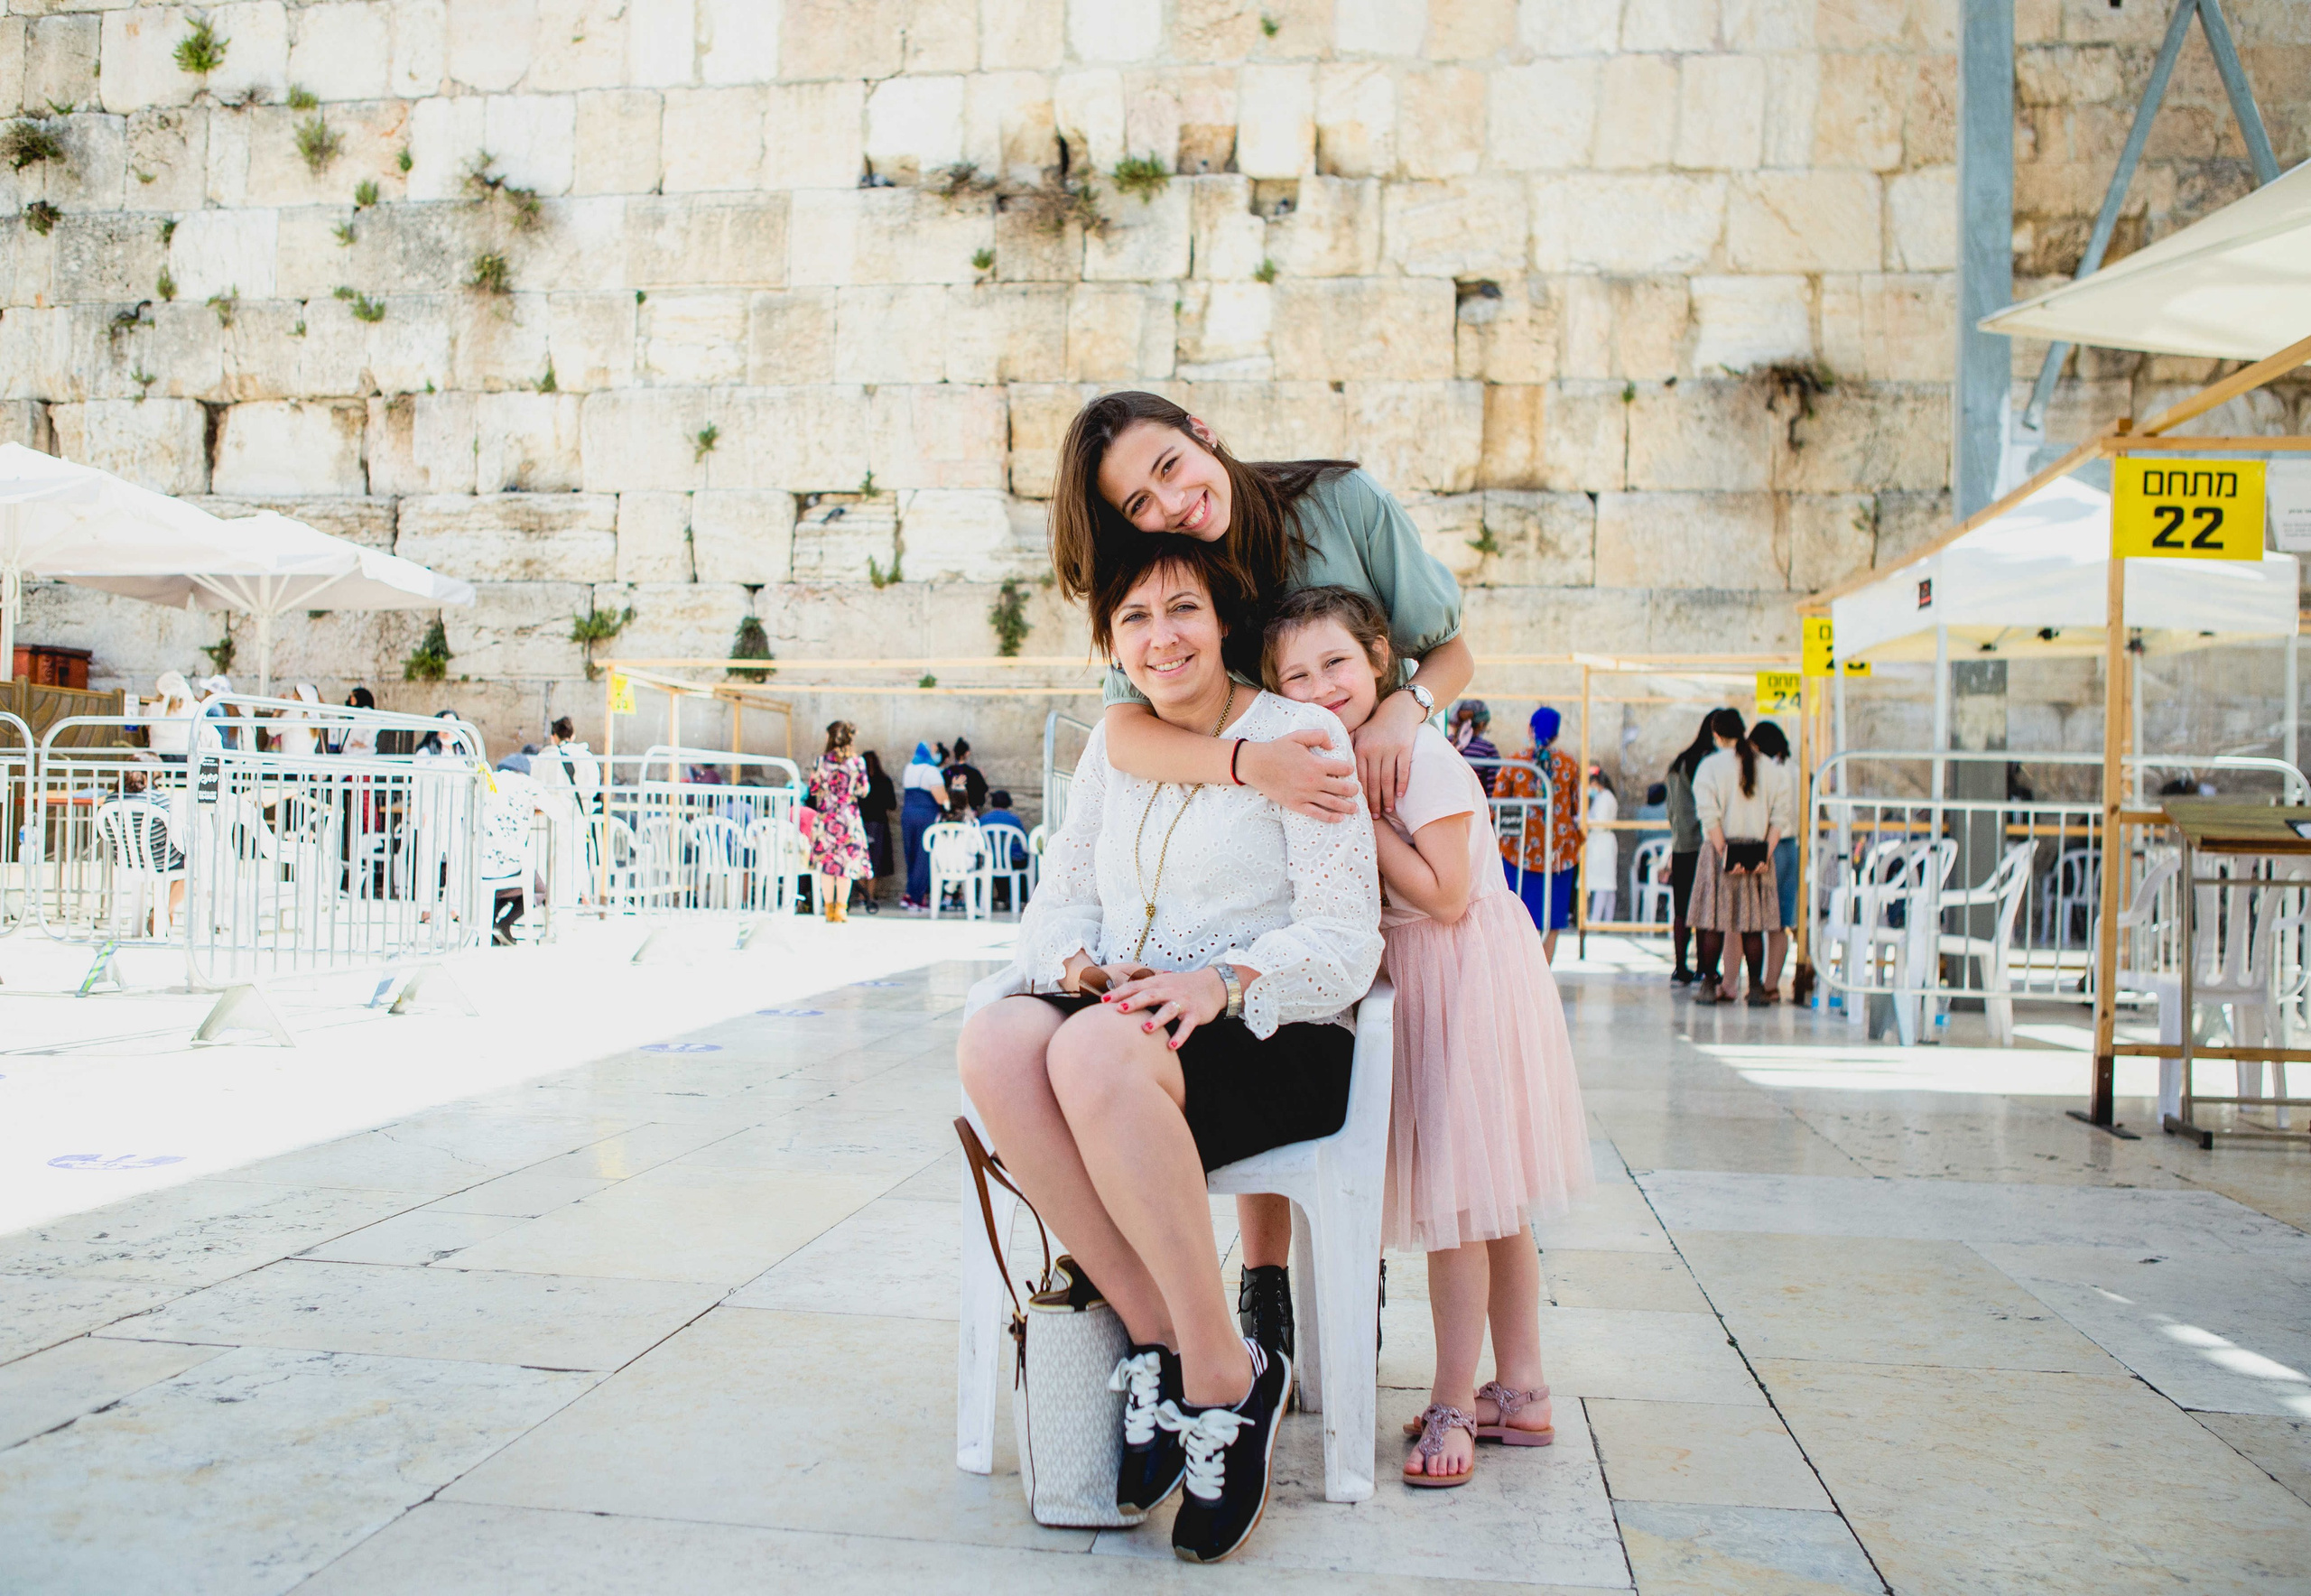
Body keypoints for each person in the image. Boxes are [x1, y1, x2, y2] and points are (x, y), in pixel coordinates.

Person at [956, 536, 1380, 1564]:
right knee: (1001, 1038)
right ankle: (1157, 1333)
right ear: (1110, 641)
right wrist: (1072, 959)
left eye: (1180, 609)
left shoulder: (1300, 733)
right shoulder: (1115, 745)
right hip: (1132, 1018)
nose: (1161, 638)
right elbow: (1062, 894)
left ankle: (1221, 1377)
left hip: (1270, 1029)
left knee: (1097, 1053)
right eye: (1135, 620)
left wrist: (1224, 978)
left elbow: (1344, 939)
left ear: (1222, 620)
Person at [1050, 387, 1472, 1367]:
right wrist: (1256, 763)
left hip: (1374, 813)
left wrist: (1399, 714)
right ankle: (1261, 1283)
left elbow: (1449, 647)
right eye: (1138, 508)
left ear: (1201, 429)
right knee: (1246, 971)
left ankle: (1344, 1297)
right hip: (1270, 836)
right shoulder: (1179, 576)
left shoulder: (1343, 502)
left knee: (1424, 1103)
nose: (1169, 506)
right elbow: (1127, 729)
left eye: (1168, 468)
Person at [1261, 588, 1588, 1488]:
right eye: (1295, 674)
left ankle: (1452, 1400)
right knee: (1492, 1199)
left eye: (1334, 662)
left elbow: (1444, 893)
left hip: (1463, 974)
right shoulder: (1348, 750)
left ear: (1378, 660)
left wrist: (1358, 820)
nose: (1319, 685)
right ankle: (1519, 1388)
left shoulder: (1416, 756)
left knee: (1459, 1202)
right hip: (1439, 974)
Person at [1691, 709, 1794, 1006]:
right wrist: (1764, 854)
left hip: (1718, 849)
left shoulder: (1710, 766)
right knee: (1753, 924)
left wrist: (1725, 853)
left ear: (1718, 735)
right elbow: (1779, 817)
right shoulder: (1773, 771)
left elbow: (1708, 815)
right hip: (1759, 851)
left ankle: (1710, 984)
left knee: (1712, 921)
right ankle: (1758, 988)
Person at [1497, 708, 1582, 961]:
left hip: (1517, 855)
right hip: (1558, 857)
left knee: (1515, 919)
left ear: (1530, 728)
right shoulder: (1568, 765)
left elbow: (1497, 805)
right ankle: (1543, 976)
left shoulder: (1514, 763)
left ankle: (1519, 974)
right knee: (1550, 921)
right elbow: (1576, 806)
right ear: (1556, 734)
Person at [1749, 720, 1801, 997]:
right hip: (1792, 847)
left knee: (1757, 917)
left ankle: (1758, 983)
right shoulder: (1798, 771)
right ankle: (1772, 984)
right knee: (1780, 919)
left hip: (1769, 844)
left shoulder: (1768, 772)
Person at [1664, 714, 1715, 984]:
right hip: (1701, 844)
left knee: (1682, 909)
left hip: (1680, 844)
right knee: (1705, 909)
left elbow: (1670, 808)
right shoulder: (1704, 762)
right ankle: (1706, 967)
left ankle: (1680, 965)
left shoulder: (1678, 761)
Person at [807, 720, 872, 924]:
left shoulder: (821, 761)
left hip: (827, 817)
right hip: (849, 816)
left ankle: (829, 909)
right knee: (845, 866)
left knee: (827, 865)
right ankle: (841, 910)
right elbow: (864, 790)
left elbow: (813, 788)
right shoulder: (857, 763)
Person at [900, 741, 945, 912]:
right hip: (926, 816)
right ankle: (917, 898)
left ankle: (909, 894)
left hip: (908, 814)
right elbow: (941, 798)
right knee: (923, 856)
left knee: (910, 854)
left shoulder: (909, 768)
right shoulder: (931, 771)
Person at [979, 788, 1030, 911]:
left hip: (990, 860)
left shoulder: (983, 820)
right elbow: (1024, 843)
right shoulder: (1014, 820)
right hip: (1012, 862)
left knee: (996, 862)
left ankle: (1001, 898)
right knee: (1019, 863)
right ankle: (1021, 899)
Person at [858, 749, 896, 910]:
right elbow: (892, 804)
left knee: (860, 861)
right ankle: (870, 896)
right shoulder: (884, 780)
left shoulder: (858, 782)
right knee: (875, 862)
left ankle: (861, 897)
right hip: (878, 824)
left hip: (860, 824)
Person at [1583, 768, 1619, 925]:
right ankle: (1604, 920)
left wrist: (1585, 818)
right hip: (1600, 842)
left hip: (1603, 842)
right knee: (1605, 883)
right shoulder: (1602, 797)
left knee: (1604, 884)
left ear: (1595, 783)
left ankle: (1598, 920)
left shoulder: (1606, 798)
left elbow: (1599, 823)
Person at [146, 672, 199, 762]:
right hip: (187, 757)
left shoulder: (154, 707)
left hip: (160, 758)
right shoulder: (193, 707)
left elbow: (147, 728)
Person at [1449, 699, 1498, 792]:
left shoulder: (1445, 743)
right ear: (1482, 724)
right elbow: (1492, 788)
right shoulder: (1488, 749)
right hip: (1474, 804)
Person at [944, 736, 988, 816]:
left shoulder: (947, 772)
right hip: (970, 813)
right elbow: (982, 794)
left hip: (950, 814)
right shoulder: (974, 773)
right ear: (967, 753)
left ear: (954, 753)